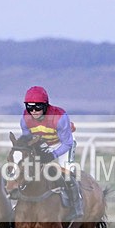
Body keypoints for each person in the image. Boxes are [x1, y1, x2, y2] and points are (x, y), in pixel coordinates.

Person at [20, 85, 83, 221]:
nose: (34, 111)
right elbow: (28, 141)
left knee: (67, 173)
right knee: (28, 170)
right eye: (30, 107)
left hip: (63, 143)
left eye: (38, 107)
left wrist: (52, 155)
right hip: (43, 143)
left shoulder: (59, 117)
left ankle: (76, 207)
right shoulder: (25, 119)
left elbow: (67, 143)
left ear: (46, 105)